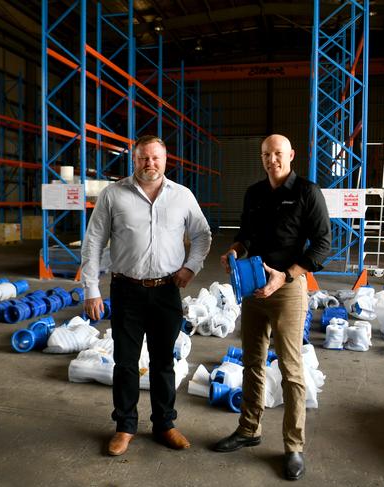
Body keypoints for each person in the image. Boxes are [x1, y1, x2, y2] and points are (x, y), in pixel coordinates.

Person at [81, 134, 212, 456]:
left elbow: (202, 234)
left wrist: (191, 267)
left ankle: (165, 424)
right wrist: (91, 289)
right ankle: (125, 426)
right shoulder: (113, 195)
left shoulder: (182, 196)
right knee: (125, 363)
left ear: (166, 161)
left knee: (164, 361)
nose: (149, 164)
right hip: (126, 289)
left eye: (155, 158)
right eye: (143, 158)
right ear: (134, 160)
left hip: (167, 290)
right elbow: (93, 241)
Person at [212, 134, 331, 481]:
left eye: (278, 153)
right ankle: (249, 430)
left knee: (291, 370)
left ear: (291, 155)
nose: (272, 160)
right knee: (252, 362)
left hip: (288, 290)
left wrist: (288, 275)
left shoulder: (307, 192)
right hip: (253, 289)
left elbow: (323, 244)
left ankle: (294, 446)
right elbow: (246, 236)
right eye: (266, 154)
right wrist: (235, 251)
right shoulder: (254, 193)